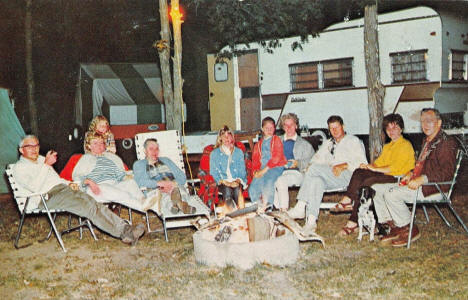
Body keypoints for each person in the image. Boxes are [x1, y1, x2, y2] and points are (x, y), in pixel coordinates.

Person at [11, 135, 145, 245]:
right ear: (21, 150)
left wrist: (69, 184)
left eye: (36, 146)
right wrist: (46, 165)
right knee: (88, 207)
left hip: (62, 190)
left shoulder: (41, 160)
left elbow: (55, 180)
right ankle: (125, 233)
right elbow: (35, 187)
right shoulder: (20, 168)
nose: (34, 149)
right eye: (30, 147)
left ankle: (126, 229)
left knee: (93, 202)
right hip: (46, 197)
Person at [372, 108, 458, 247]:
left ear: (439, 123)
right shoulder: (428, 140)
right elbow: (422, 165)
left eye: (429, 120)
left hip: (434, 187)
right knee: (376, 189)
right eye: (423, 121)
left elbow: (446, 173)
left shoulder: (445, 143)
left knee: (391, 194)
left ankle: (409, 228)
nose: (425, 124)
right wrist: (411, 173)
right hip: (421, 182)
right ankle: (392, 225)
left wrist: (422, 179)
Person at [335, 113, 415, 236]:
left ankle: (353, 221)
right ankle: (348, 199)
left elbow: (396, 168)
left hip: (398, 177)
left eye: (394, 128)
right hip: (387, 175)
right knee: (359, 171)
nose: (391, 131)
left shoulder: (405, 145)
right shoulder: (388, 146)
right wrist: (367, 166)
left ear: (401, 129)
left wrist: (375, 169)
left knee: (368, 183)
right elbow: (378, 163)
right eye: (388, 128)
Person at [288, 115, 367, 234]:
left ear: (343, 127)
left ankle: (300, 205)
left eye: (337, 127)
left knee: (314, 169)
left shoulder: (353, 141)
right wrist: (310, 165)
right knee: (316, 181)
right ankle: (311, 222)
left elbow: (363, 163)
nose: (334, 131)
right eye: (331, 128)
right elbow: (317, 158)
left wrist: (344, 165)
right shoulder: (328, 143)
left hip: (349, 176)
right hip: (331, 176)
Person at [73, 132, 158, 213]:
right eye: (95, 143)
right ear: (89, 146)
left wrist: (129, 176)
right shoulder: (86, 158)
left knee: (130, 183)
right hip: (95, 187)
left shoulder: (111, 157)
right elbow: (76, 177)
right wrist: (88, 181)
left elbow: (120, 174)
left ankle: (144, 200)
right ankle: (141, 206)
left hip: (114, 185)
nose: (99, 146)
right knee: (109, 189)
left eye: (101, 143)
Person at [133, 138, 196, 214]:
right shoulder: (139, 164)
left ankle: (177, 206)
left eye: (157, 149)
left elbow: (182, 177)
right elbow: (139, 181)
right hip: (156, 191)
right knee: (164, 197)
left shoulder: (166, 160)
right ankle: (182, 205)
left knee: (180, 191)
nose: (154, 152)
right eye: (151, 149)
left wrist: (173, 184)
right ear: (144, 151)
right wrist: (160, 184)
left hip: (174, 187)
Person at [273, 113, 314, 211]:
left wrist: (298, 163)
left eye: (291, 125)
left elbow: (311, 162)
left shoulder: (304, 144)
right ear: (282, 127)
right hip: (278, 171)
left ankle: (283, 211)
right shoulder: (276, 141)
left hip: (297, 173)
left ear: (296, 126)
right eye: (286, 125)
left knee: (280, 180)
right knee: (267, 180)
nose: (289, 127)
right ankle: (279, 210)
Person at [248, 117, 287, 209]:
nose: (269, 130)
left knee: (268, 181)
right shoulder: (258, 145)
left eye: (271, 128)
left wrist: (264, 170)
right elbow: (255, 160)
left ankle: (269, 206)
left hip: (276, 167)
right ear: (262, 129)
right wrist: (255, 171)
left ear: (274, 129)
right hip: (263, 168)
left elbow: (276, 158)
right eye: (266, 128)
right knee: (254, 186)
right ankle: (258, 206)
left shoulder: (276, 140)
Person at [209, 125, 247, 208]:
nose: (226, 138)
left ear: (232, 138)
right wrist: (225, 182)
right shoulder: (214, 154)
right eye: (224, 136)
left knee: (237, 190)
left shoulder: (238, 152)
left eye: (228, 136)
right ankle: (230, 213)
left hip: (236, 180)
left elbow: (242, 171)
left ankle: (240, 212)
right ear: (220, 138)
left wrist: (237, 181)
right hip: (223, 182)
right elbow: (213, 172)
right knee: (227, 190)